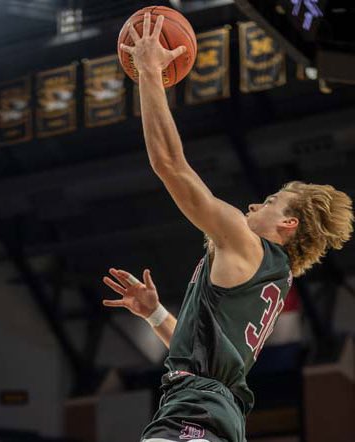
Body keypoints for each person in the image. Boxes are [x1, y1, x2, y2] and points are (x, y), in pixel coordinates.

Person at [102, 12, 354, 442]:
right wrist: (156, 314)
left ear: (288, 224)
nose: (256, 203)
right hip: (210, 412)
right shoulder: (272, 279)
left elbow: (170, 165)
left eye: (271, 202)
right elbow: (203, 354)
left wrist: (148, 70)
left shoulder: (245, 240)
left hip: (196, 413)